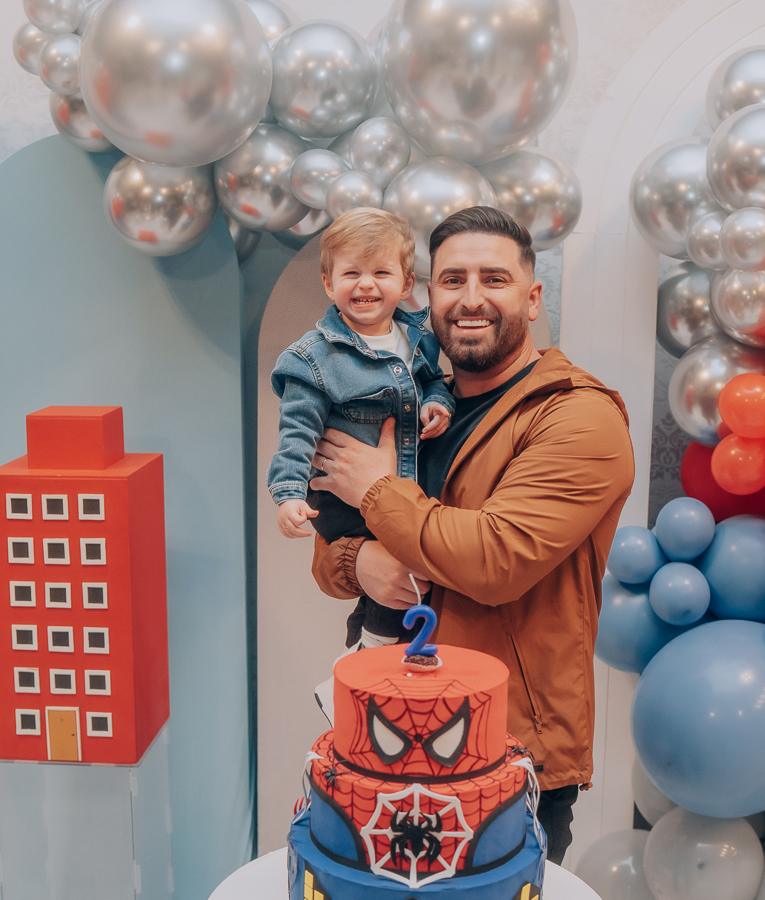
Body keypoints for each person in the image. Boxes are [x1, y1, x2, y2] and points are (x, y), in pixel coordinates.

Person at [307, 206, 635, 863]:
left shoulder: (579, 416)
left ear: (533, 298)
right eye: (453, 280)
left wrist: (375, 487)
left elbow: (493, 561)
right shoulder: (416, 407)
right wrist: (361, 561)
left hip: (508, 751)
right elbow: (327, 549)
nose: (471, 298)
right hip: (387, 729)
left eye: (495, 279)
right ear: (428, 298)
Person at [267, 207, 455, 649]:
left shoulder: (417, 339)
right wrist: (289, 493)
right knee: (403, 561)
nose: (366, 284)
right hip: (341, 498)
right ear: (328, 283)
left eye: (380, 272)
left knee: (412, 567)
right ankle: (371, 649)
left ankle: (368, 644)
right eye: (351, 273)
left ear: (405, 284)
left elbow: (433, 382)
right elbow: (297, 431)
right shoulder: (315, 358)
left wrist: (437, 404)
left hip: (398, 484)